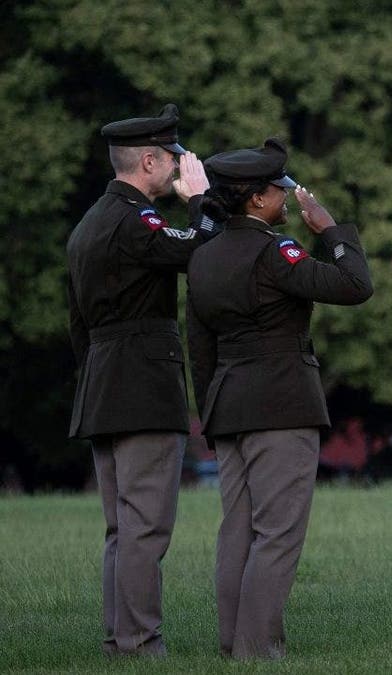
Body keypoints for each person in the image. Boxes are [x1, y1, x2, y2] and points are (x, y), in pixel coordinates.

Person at [186, 138, 373, 659]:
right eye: (279, 190)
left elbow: (199, 347)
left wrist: (211, 414)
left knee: (237, 532)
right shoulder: (275, 252)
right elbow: (355, 285)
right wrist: (331, 231)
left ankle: (233, 645)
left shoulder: (202, 258)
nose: (286, 198)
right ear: (256, 200)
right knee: (278, 534)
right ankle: (257, 650)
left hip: (228, 407)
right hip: (281, 406)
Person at [66, 104, 215, 655]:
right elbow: (200, 252)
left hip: (104, 386)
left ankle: (119, 639)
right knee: (146, 526)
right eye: (173, 158)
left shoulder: (88, 225)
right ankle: (138, 643)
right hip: (143, 390)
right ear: (148, 160)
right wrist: (199, 200)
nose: (179, 166)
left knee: (122, 529)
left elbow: (77, 325)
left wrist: (96, 380)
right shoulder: (136, 220)